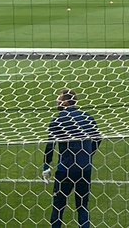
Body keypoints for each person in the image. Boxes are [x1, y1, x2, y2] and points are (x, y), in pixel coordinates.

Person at [43, 88, 102, 228]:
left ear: (65, 102)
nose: (56, 100)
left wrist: (46, 166)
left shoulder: (57, 120)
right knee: (82, 205)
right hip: (85, 168)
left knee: (58, 205)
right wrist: (88, 154)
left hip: (65, 170)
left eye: (59, 98)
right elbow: (98, 138)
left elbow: (50, 145)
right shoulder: (88, 117)